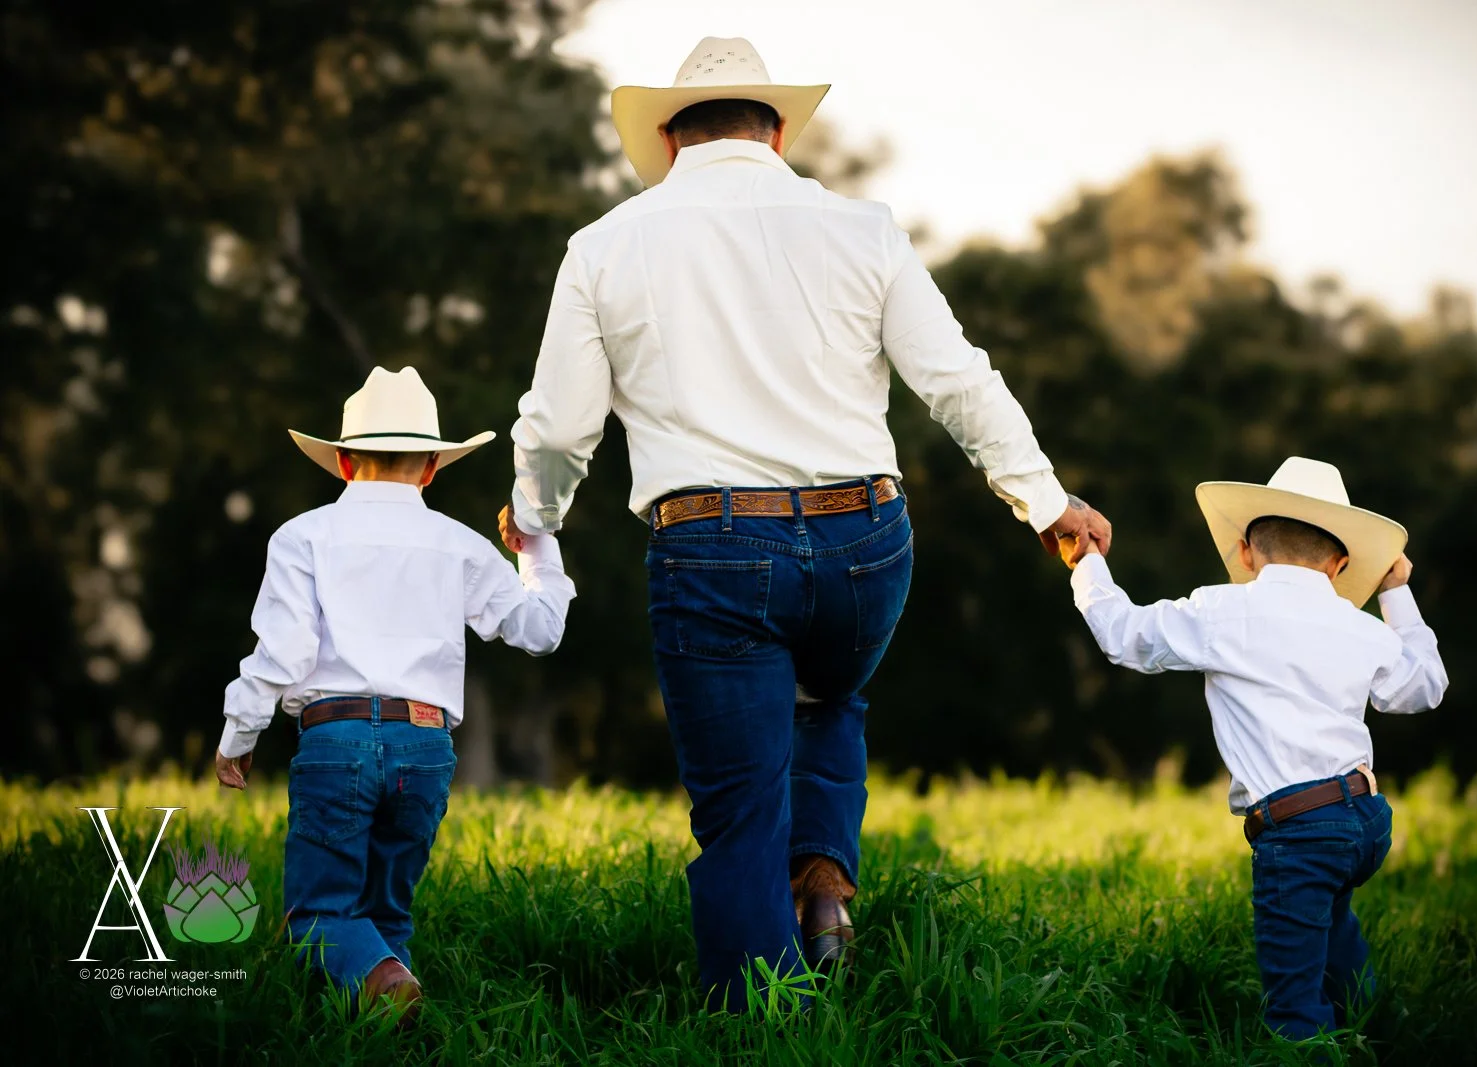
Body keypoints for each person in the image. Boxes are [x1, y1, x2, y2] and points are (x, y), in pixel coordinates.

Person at [498, 36, 1111, 1009]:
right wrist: (1043, 496)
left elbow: (560, 424)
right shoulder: (863, 229)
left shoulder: (605, 244)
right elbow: (955, 378)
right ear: (777, 130)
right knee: (830, 690)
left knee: (741, 807)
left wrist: (534, 520)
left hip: (713, 546)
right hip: (867, 540)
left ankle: (759, 1018)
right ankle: (823, 893)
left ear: (666, 137)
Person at [215, 366, 575, 1025]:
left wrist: (240, 732)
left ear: (344, 462)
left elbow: (285, 651)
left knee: (319, 914)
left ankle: (382, 989)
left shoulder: (302, 537)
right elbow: (540, 628)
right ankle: (391, 1022)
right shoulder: (458, 545)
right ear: (433, 467)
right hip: (424, 745)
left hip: (336, 737)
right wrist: (537, 549)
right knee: (387, 914)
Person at [1069, 456, 1448, 1041]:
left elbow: (1124, 637)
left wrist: (1088, 562)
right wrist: (1395, 590)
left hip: (1298, 831)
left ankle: (1317, 1045)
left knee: (1294, 1010)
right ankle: (1383, 1034)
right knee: (1334, 933)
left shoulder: (1222, 610)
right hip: (1366, 821)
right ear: (1340, 563)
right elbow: (1425, 688)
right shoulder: (1359, 625)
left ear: (1245, 552)